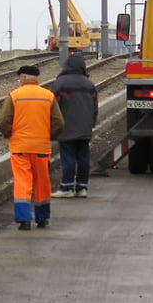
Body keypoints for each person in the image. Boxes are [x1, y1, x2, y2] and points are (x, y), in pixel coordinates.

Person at [0, 64, 64, 230]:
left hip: (20, 147)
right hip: (41, 148)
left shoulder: (14, 95)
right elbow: (59, 122)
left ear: (23, 77)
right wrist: (49, 137)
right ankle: (42, 219)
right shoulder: (48, 96)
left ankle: (24, 220)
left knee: (22, 182)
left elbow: (4, 120)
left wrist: (9, 135)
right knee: (42, 183)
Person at [51, 52, 98, 198]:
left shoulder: (60, 83)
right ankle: (82, 187)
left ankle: (66, 187)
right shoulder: (89, 84)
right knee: (83, 157)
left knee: (68, 157)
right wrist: (92, 123)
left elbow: (53, 107)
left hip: (66, 127)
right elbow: (95, 107)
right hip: (85, 128)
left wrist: (53, 127)